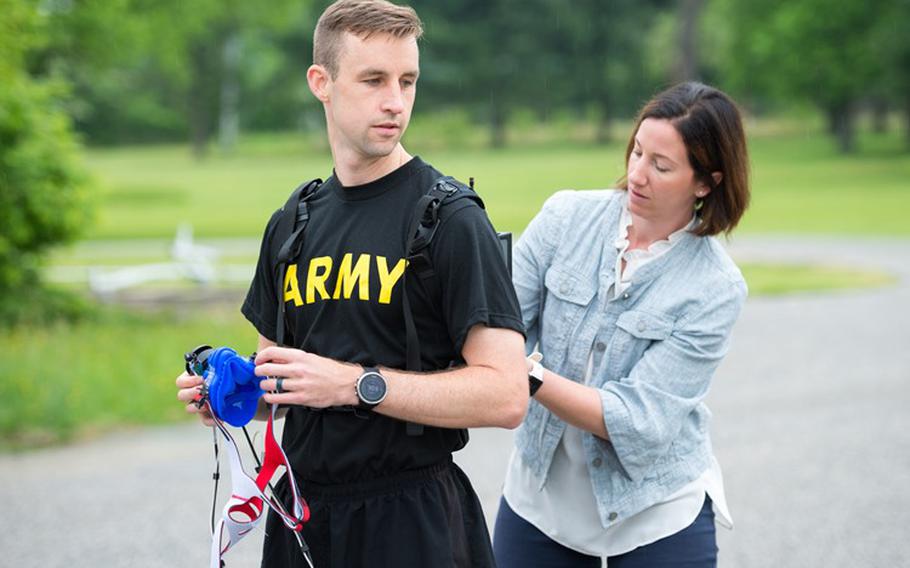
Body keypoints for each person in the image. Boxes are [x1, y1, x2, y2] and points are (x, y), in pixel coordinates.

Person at [176, 1, 528, 566]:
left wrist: (355, 385)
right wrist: (230, 393)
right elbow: (282, 385)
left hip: (413, 518)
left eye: (407, 81)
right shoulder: (293, 221)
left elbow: (507, 394)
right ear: (322, 82)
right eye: (373, 80)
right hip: (302, 515)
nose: (395, 101)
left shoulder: (450, 218)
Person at [493, 82, 751, 568]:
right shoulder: (565, 215)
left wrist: (526, 373)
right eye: (637, 151)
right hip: (539, 503)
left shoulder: (716, 287)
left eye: (661, 165)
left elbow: (637, 421)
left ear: (705, 182)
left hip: (655, 512)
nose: (637, 174)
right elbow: (500, 318)